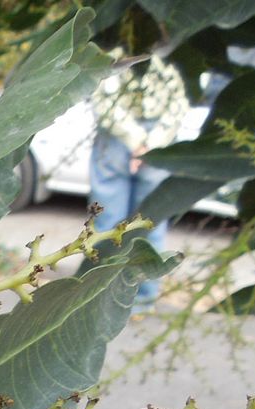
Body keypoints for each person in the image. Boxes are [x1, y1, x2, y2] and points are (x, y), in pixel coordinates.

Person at [89, 51, 189, 310]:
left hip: (117, 135)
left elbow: (104, 100)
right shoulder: (164, 57)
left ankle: (98, 296)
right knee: (150, 221)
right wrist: (151, 145)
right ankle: (142, 298)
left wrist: (137, 143)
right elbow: (178, 105)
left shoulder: (115, 54)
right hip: (156, 138)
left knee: (108, 223)